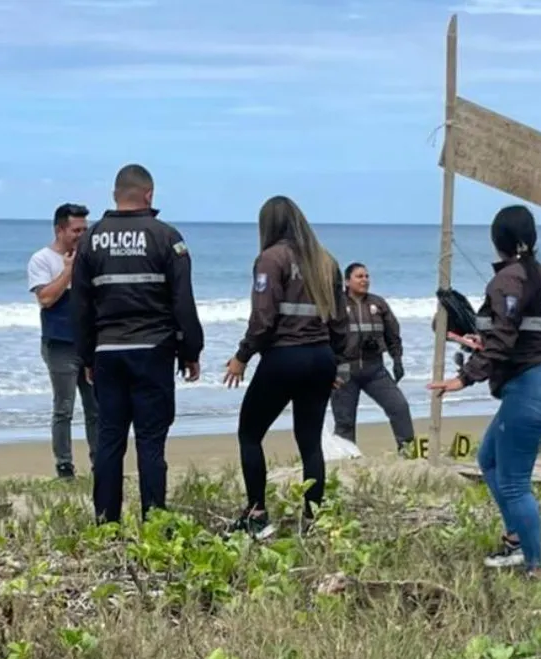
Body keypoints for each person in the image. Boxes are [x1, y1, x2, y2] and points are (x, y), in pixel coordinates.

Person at [427, 204, 541, 581]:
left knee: (513, 481)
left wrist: (464, 378)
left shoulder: (507, 279)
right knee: (489, 459)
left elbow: (504, 339)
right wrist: (480, 341)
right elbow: (527, 333)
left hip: (532, 385)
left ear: (499, 240)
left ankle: (536, 568)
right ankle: (515, 540)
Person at [71, 164, 204, 524]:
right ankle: (155, 521)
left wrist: (86, 355)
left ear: (115, 194)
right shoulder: (166, 237)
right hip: (153, 350)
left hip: (107, 353)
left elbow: (80, 306)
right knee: (150, 440)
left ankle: (106, 520)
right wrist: (191, 350)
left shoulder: (90, 239)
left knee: (110, 439)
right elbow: (182, 300)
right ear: (149, 194)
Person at [223, 195, 349, 538]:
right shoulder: (326, 261)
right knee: (310, 442)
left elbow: (263, 318)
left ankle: (257, 514)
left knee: (249, 433)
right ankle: (314, 519)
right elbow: (340, 322)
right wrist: (336, 364)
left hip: (284, 358)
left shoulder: (270, 258)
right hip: (320, 357)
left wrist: (242, 356)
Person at [28, 202, 99, 479]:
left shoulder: (92, 257)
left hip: (89, 343)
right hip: (60, 343)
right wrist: (69, 270)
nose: (82, 235)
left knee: (96, 407)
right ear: (60, 229)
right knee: (64, 407)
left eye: (85, 229)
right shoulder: (42, 259)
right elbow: (45, 299)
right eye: (76, 230)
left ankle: (99, 461)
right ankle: (64, 464)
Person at [330, 262, 415, 455]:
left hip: (375, 369)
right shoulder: (336, 305)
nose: (365, 280)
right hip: (344, 371)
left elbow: (393, 333)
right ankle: (348, 461)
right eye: (359, 276)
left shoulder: (378, 304)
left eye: (367, 276)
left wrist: (397, 359)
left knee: (399, 407)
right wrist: (327, 368)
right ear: (346, 281)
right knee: (344, 422)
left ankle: (408, 454)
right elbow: (323, 336)